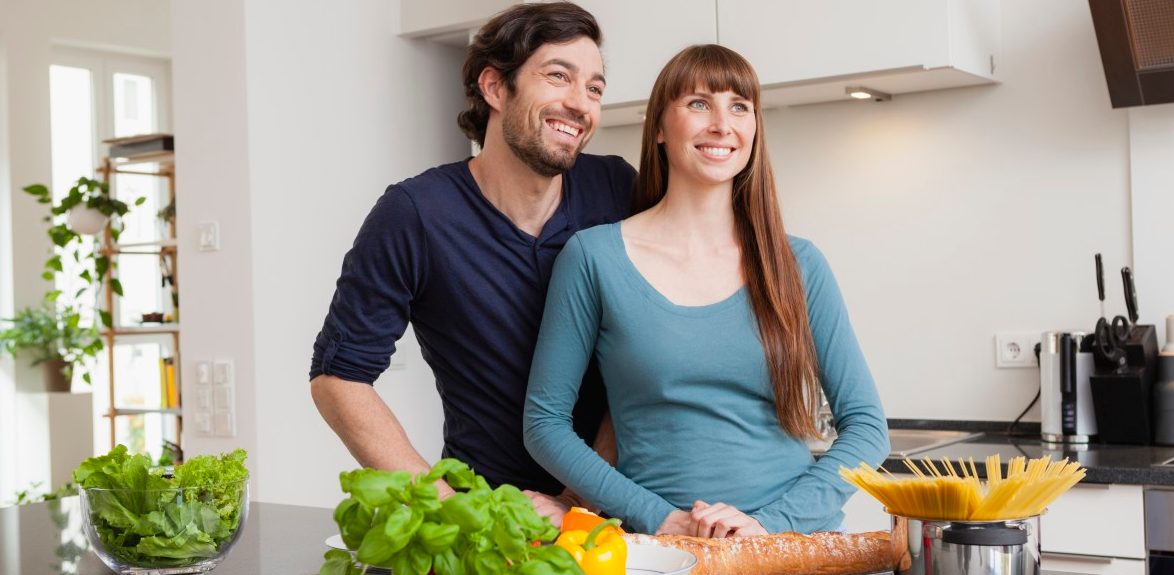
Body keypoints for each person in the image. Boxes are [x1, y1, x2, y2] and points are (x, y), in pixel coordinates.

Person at [523, 44, 889, 537]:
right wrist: (662, 518)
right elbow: (544, 425)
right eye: (699, 104)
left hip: (792, 545)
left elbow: (867, 428)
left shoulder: (799, 264)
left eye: (740, 107)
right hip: (661, 550)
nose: (722, 124)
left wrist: (767, 527)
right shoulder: (594, 257)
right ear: (659, 127)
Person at [309, 2, 634, 523]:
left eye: (594, 88)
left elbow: (648, 358)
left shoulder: (618, 189)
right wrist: (449, 513)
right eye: (558, 76)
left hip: (612, 515)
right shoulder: (416, 213)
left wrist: (579, 501)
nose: (580, 103)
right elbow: (338, 378)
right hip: (483, 514)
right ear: (495, 87)